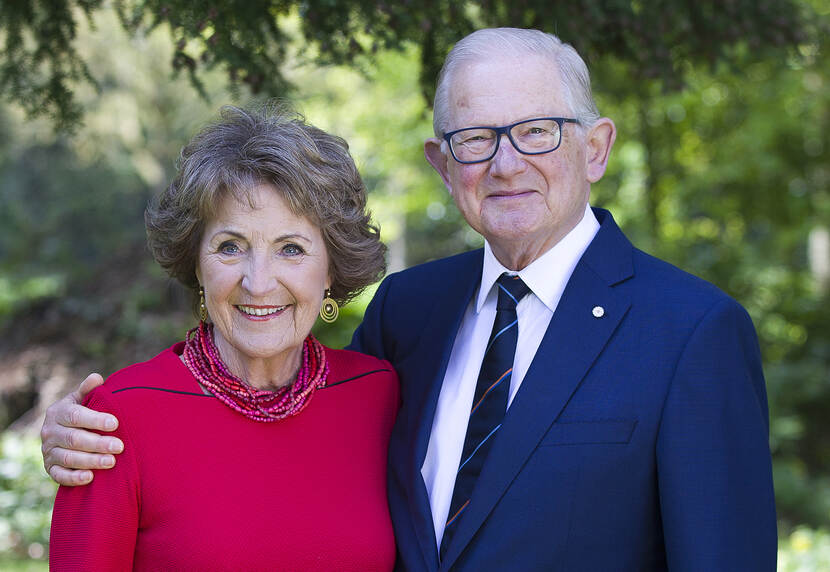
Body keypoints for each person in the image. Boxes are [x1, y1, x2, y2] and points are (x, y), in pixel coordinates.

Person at [42, 28, 776, 571]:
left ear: (596, 148)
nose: (506, 162)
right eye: (476, 139)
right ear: (442, 163)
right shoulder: (410, 314)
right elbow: (276, 424)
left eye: (536, 132)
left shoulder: (692, 332)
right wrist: (74, 433)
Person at [48, 104, 399, 570]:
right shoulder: (117, 419)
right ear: (196, 262)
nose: (258, 282)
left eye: (290, 249)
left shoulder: (378, 394)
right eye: (230, 247)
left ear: (331, 268)